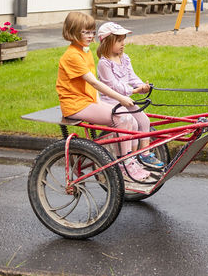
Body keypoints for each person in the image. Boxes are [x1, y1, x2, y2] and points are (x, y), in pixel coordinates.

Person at [55, 12, 158, 183]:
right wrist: (122, 98)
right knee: (122, 117)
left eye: (92, 32)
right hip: (75, 105)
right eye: (85, 32)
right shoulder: (72, 55)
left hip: (87, 101)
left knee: (129, 120)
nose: (90, 36)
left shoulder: (83, 51)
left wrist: (103, 101)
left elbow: (91, 86)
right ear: (73, 32)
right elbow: (95, 83)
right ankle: (124, 165)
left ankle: (129, 159)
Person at [95, 21, 164, 169]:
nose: (123, 44)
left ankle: (144, 154)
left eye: (123, 40)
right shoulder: (104, 63)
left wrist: (141, 86)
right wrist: (133, 91)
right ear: (107, 43)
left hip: (126, 99)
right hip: (111, 101)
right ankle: (131, 158)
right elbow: (113, 85)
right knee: (131, 122)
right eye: (119, 41)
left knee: (144, 120)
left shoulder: (124, 58)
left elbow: (131, 76)